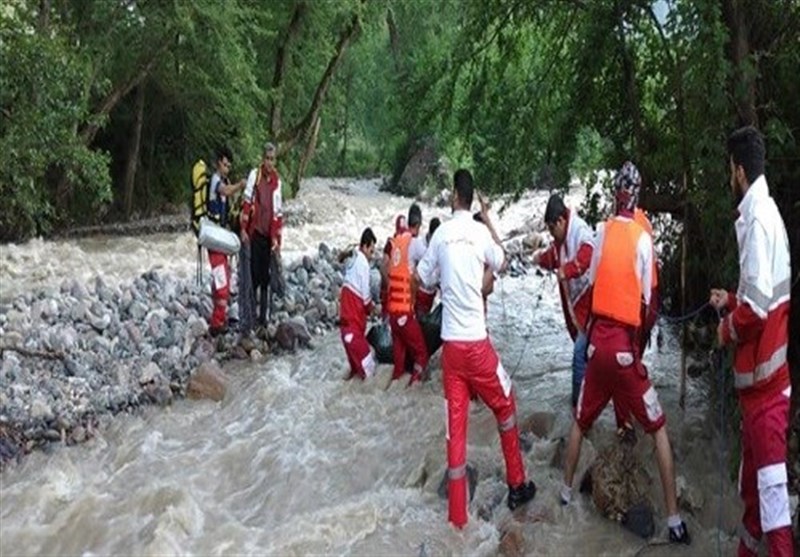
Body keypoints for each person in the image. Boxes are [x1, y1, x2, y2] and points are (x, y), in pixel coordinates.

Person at [560, 161, 690, 545]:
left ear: (615, 194)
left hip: (597, 346)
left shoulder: (600, 232)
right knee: (659, 428)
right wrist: (637, 347)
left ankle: (564, 497)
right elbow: (649, 305)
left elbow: (595, 276)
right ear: (637, 197)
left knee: (580, 422)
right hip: (623, 353)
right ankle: (674, 520)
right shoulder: (644, 239)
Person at [416, 169, 536, 528]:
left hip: (451, 349)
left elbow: (421, 277)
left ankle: (457, 519)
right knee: (506, 402)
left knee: (456, 430)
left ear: (454, 196)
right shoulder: (480, 233)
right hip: (477, 346)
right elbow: (502, 259)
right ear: (471, 199)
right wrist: (488, 219)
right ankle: (517, 483)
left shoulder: (440, 235)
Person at [709, 126, 792, 557]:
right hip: (760, 391)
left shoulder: (758, 220)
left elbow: (758, 312)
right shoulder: (763, 213)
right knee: (754, 499)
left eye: (729, 171)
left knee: (773, 509)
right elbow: (759, 297)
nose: (729, 178)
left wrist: (726, 328)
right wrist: (733, 299)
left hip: (766, 395)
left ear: (738, 171)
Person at [532, 194, 594, 408]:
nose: (550, 233)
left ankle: (577, 409)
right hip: (579, 312)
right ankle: (587, 405)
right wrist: (539, 258)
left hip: (591, 308)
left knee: (579, 357)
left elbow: (587, 258)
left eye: (551, 228)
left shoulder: (580, 230)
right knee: (587, 359)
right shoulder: (561, 238)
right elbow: (554, 257)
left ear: (561, 221)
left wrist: (566, 272)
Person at [385, 204, 429, 385]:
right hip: (404, 313)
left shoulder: (396, 242)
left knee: (399, 364)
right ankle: (412, 391)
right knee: (422, 355)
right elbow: (431, 263)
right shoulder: (415, 242)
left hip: (392, 315)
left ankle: (393, 388)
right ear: (418, 224)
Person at [241, 142, 283, 329]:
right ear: (262, 159)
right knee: (253, 276)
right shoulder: (254, 176)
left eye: (272, 159)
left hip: (268, 237)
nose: (269, 162)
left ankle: (264, 318)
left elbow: (278, 213)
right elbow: (247, 202)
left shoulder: (276, 181)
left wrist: (277, 241)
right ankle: (250, 315)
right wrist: (243, 228)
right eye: (267, 158)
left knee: (266, 277)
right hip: (255, 233)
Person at [207, 146, 245, 335]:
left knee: (223, 277)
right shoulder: (216, 181)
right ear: (218, 164)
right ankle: (216, 324)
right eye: (224, 164)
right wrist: (239, 185)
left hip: (221, 238)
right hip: (214, 239)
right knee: (222, 283)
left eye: (229, 166)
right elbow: (225, 191)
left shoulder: (223, 180)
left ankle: (219, 318)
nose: (226, 168)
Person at [340, 228, 379, 380]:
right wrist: (374, 309)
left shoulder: (353, 260)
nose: (372, 255)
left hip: (345, 333)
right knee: (370, 373)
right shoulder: (363, 264)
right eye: (371, 250)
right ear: (364, 246)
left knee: (355, 374)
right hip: (353, 331)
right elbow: (366, 298)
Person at [416, 217, 441, 317]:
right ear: (429, 234)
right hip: (419, 291)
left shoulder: (440, 246)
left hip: (432, 293)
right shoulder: (420, 246)